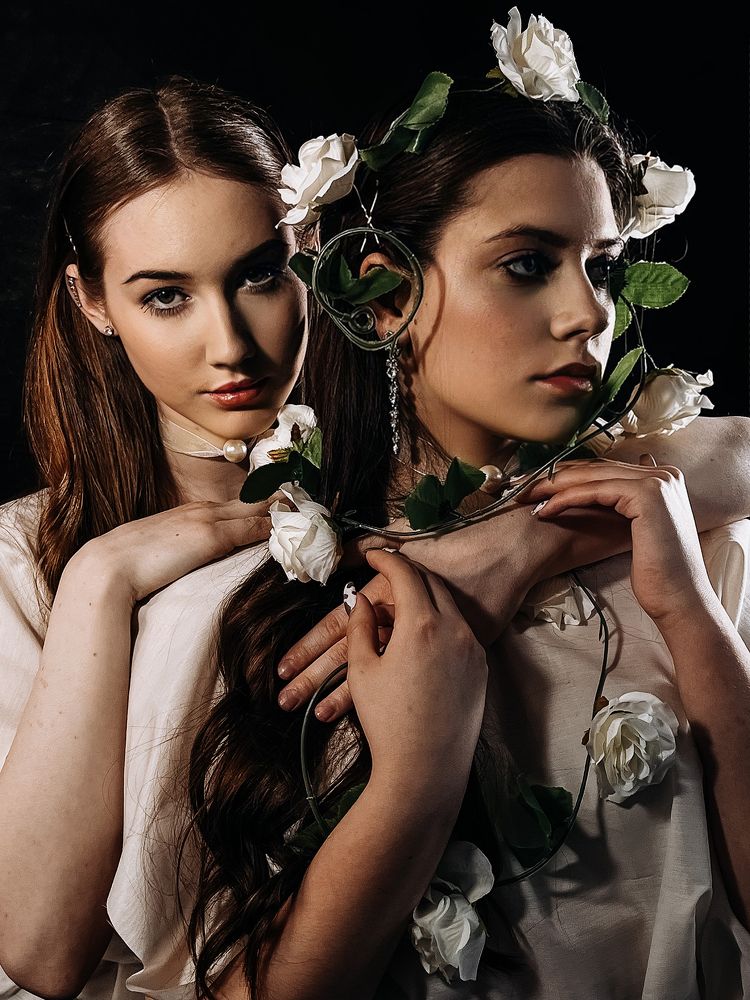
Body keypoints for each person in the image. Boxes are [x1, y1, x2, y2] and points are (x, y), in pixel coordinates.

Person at [0, 56, 746, 1000]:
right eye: (165, 296)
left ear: (320, 255)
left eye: (262, 274)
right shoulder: (44, 560)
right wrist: (101, 578)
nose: (230, 345)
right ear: (91, 302)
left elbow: (727, 452)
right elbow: (38, 953)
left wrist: (521, 541)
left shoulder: (423, 473)